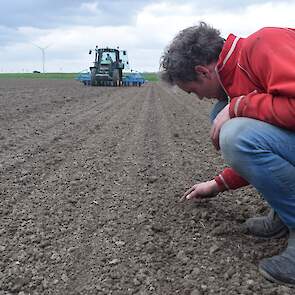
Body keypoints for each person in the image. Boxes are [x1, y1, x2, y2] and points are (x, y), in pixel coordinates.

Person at [160, 22, 295, 285]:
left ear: (202, 71)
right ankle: (284, 211)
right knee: (223, 118)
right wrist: (218, 184)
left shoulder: (264, 44)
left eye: (193, 91)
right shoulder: (235, 78)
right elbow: (266, 148)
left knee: (233, 131)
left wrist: (239, 106)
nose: (198, 98)